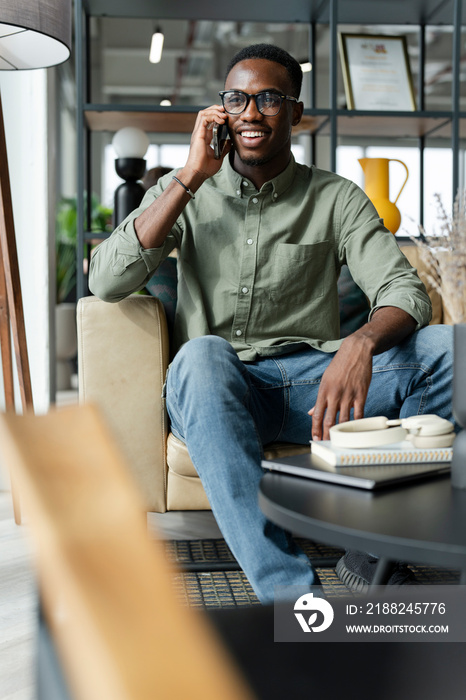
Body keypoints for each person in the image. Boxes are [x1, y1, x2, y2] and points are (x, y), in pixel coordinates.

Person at [89, 44, 454, 604]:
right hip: (219, 388)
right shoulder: (187, 189)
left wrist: (359, 344)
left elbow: (404, 291)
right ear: (222, 112)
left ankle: (375, 548)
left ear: (295, 112)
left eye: (268, 98)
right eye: (238, 99)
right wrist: (189, 175)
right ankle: (292, 600)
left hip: (317, 386)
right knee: (203, 355)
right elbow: (106, 281)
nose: (251, 112)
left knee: (450, 349)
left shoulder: (336, 198)